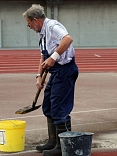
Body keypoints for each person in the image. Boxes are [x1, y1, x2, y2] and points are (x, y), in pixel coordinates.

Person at [23, 4, 79, 156]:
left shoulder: (52, 26)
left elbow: (68, 39)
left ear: (35, 20)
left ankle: (62, 147)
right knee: (48, 105)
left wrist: (54, 57)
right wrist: (39, 76)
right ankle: (52, 141)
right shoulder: (42, 34)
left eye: (29, 23)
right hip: (55, 73)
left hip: (65, 71)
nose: (28, 26)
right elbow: (43, 56)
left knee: (59, 107)